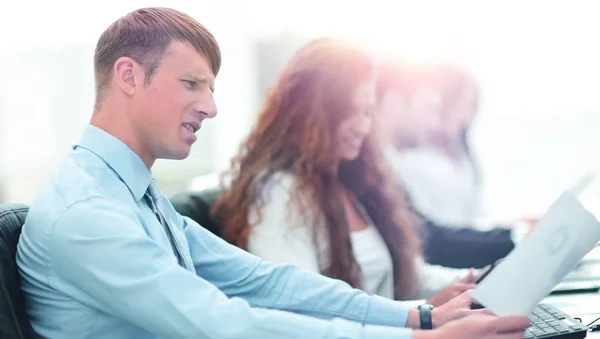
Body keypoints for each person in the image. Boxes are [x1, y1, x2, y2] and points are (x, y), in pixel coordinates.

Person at [15, 7, 529, 339]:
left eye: (211, 88)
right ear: (128, 75)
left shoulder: (135, 194)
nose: (210, 107)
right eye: (192, 84)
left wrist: (418, 316)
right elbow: (219, 322)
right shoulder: (89, 213)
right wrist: (418, 338)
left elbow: (267, 282)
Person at [211, 38, 479, 304]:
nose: (361, 127)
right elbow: (302, 305)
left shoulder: (353, 182)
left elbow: (409, 277)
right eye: (347, 112)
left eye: (367, 113)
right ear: (307, 113)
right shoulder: (279, 192)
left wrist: (475, 279)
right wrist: (423, 313)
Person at [376, 59, 528, 269]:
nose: (433, 122)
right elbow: (432, 241)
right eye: (428, 109)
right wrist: (515, 236)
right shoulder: (404, 165)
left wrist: (515, 232)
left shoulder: (387, 164)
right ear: (395, 102)